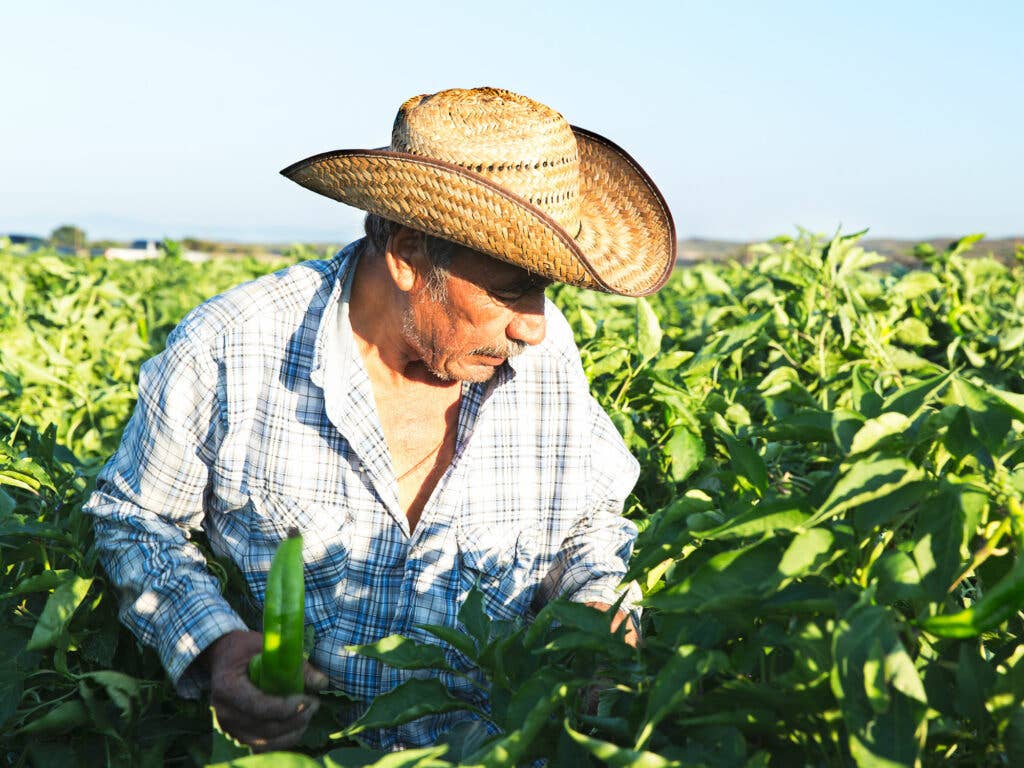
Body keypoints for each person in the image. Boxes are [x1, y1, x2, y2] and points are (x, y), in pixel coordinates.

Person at [83, 87, 675, 752]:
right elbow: (135, 518)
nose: (534, 325)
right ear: (405, 254)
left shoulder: (547, 357)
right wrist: (214, 643)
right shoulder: (233, 348)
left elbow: (589, 522)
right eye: (508, 289)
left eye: (545, 290)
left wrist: (596, 608)